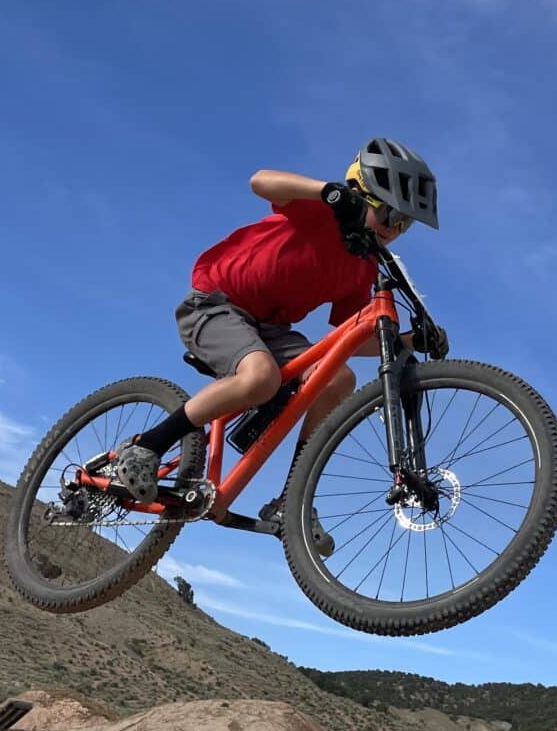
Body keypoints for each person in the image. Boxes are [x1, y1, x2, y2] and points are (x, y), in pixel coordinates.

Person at [110, 138, 446, 555]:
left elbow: (351, 334)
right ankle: (145, 447)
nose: (394, 230)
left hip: (270, 330)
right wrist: (327, 192)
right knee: (261, 377)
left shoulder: (362, 266)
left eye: (405, 225)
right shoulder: (324, 211)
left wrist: (411, 340)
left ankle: (291, 500)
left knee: (337, 378)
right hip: (215, 303)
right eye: (391, 215)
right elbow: (261, 181)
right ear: (361, 194)